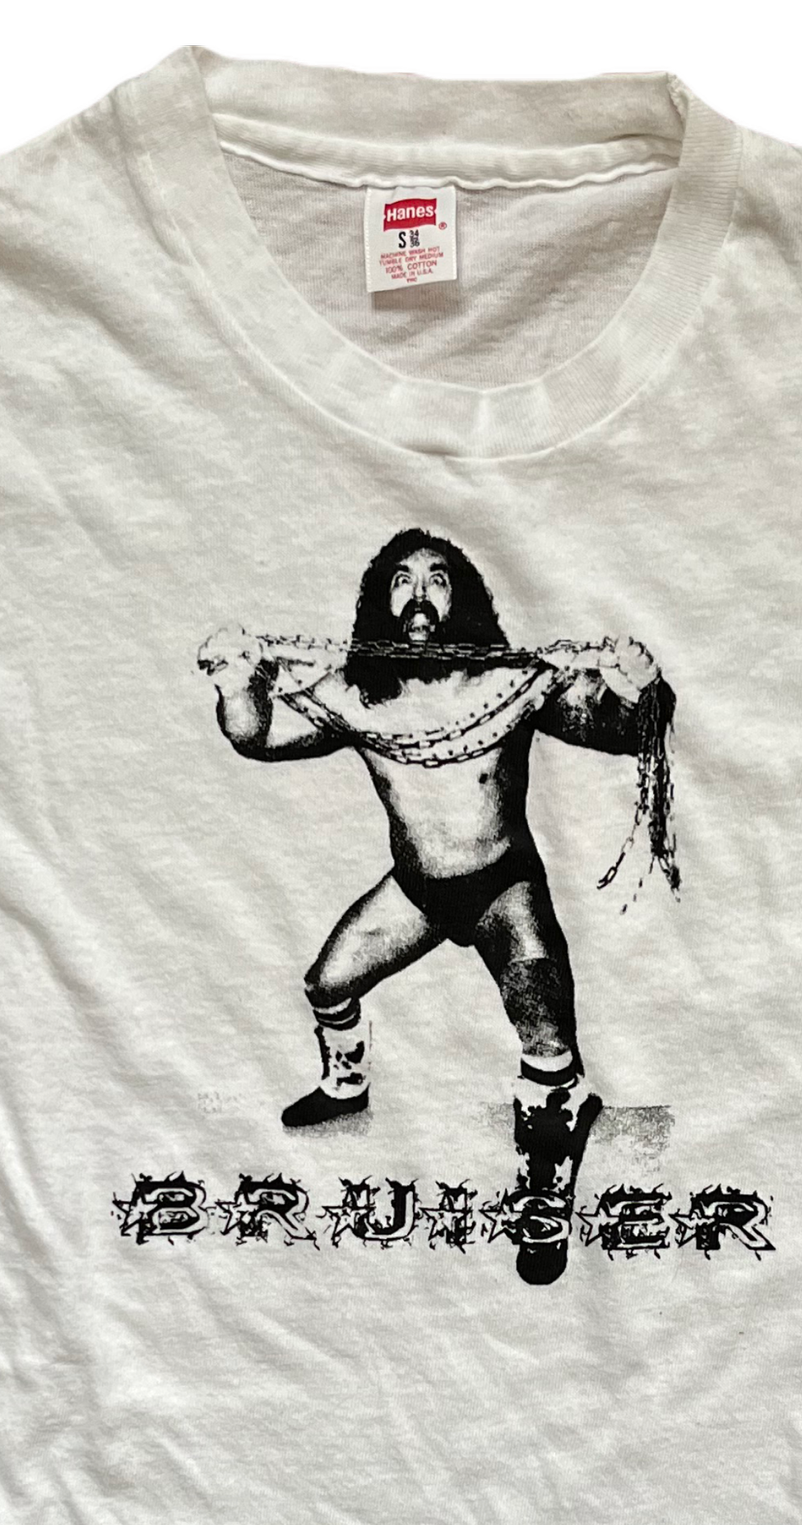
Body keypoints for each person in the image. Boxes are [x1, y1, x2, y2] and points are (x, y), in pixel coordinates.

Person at [198, 528, 671, 1284]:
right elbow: (259, 737)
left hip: (504, 890)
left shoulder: (509, 684)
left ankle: (546, 1186)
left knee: (546, 1036)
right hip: (418, 891)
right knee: (327, 984)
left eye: (438, 579)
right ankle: (347, 1086)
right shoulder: (354, 695)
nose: (419, 595)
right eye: (402, 580)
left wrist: (632, 689)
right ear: (379, 600)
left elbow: (617, 731)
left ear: (466, 599)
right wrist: (236, 683)